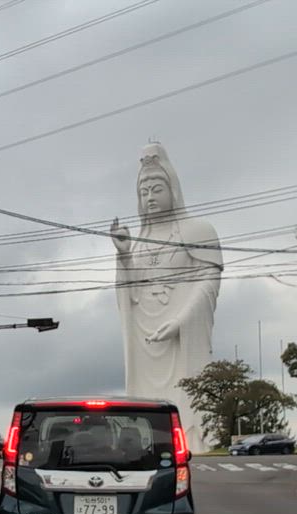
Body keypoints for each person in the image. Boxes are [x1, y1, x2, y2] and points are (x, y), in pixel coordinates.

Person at [111, 143, 223, 450]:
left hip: (181, 336)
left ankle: (193, 438)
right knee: (146, 402)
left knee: (185, 395)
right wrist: (123, 257)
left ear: (173, 189)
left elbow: (208, 280)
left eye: (156, 189)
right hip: (145, 336)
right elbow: (129, 293)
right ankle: (145, 443)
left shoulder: (198, 230)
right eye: (143, 191)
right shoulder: (137, 241)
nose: (150, 197)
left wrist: (181, 321)